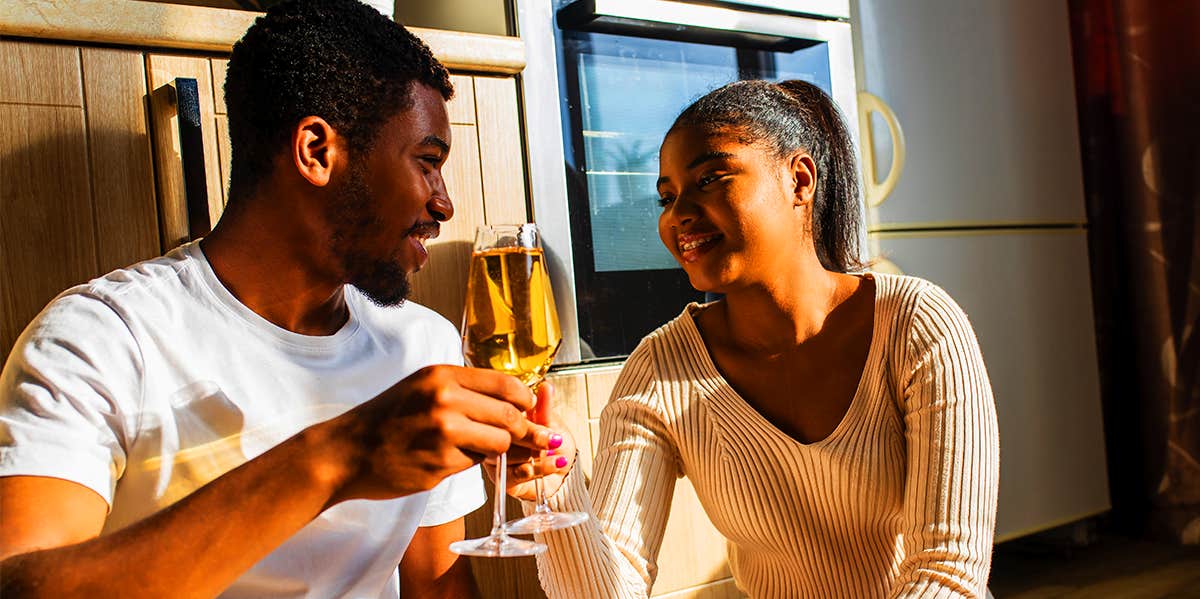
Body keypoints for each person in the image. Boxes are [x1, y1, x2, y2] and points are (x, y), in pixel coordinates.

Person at [0, 1, 567, 596]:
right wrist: (339, 457)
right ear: (317, 151)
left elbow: (438, 586)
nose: (444, 203)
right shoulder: (103, 339)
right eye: (427, 162)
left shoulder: (420, 343)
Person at [509, 80, 1000, 597]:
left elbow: (947, 573)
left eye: (710, 178)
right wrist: (555, 497)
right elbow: (610, 591)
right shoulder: (661, 368)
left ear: (799, 180)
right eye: (668, 197)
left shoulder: (918, 324)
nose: (679, 215)